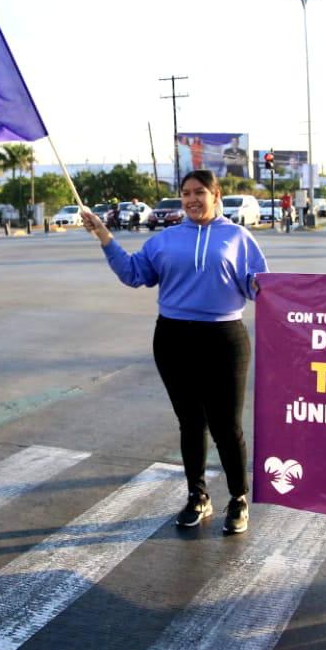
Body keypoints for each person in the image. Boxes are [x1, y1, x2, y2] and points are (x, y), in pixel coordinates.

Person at [81, 169, 268, 535]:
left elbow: (256, 285)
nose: (192, 199)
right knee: (191, 423)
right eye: (186, 193)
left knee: (226, 426)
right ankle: (197, 496)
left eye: (200, 192)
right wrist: (104, 236)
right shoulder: (165, 240)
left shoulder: (238, 237)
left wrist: (264, 285)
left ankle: (237, 498)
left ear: (216, 194)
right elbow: (134, 274)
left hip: (225, 339)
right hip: (173, 338)